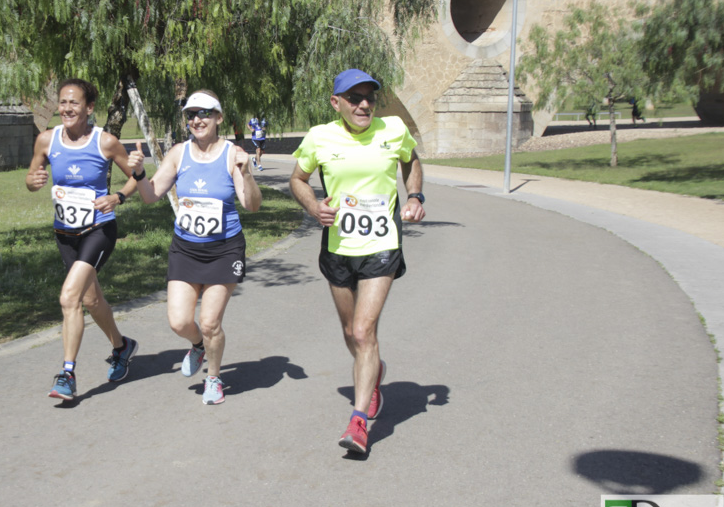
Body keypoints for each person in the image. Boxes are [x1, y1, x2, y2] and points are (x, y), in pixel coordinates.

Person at [289, 68, 426, 454]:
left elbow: (410, 161)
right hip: (337, 247)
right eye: (354, 98)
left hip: (381, 244)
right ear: (337, 103)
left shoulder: (393, 129)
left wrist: (415, 196)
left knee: (364, 332)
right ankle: (374, 371)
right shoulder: (319, 137)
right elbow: (297, 179)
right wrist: (314, 206)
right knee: (351, 333)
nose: (364, 104)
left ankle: (359, 422)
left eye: (369, 97)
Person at [128, 90, 262, 405]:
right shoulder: (178, 153)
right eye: (191, 115)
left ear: (219, 117)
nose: (197, 120)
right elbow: (150, 196)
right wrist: (136, 173)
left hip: (224, 249)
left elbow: (251, 205)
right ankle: (198, 345)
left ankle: (213, 378)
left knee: (212, 319)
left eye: (204, 113)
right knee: (179, 321)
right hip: (186, 249)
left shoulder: (232, 155)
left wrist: (246, 173)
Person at [26, 78, 146, 401]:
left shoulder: (105, 142)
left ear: (89, 108)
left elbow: (136, 178)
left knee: (69, 298)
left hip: (99, 230)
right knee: (91, 300)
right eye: (63, 103)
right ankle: (122, 347)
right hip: (65, 234)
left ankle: (67, 374)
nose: (66, 108)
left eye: (74, 103)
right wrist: (33, 181)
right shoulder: (46, 141)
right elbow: (31, 176)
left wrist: (117, 197)